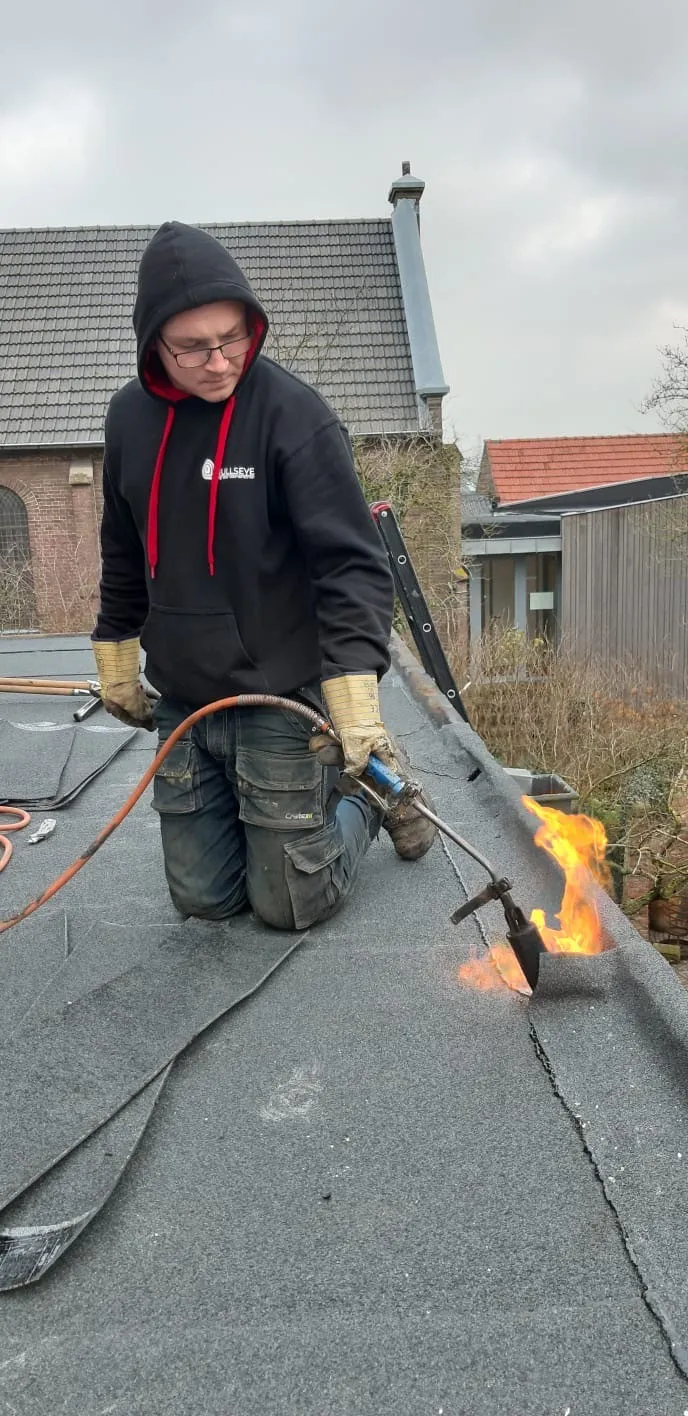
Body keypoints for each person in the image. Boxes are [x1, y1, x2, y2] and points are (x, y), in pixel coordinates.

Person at [91, 220, 436, 931]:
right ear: (153, 342)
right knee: (205, 900)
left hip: (281, 693)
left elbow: (352, 564)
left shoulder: (293, 416)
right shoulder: (128, 419)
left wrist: (354, 691)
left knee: (289, 904)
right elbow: (123, 545)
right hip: (186, 699)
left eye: (234, 338)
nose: (220, 362)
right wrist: (116, 653)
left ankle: (371, 796)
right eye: (193, 347)